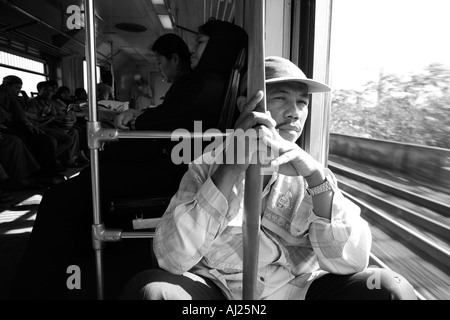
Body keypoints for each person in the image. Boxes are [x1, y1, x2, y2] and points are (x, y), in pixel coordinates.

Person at [120, 57, 418, 300]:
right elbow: (171, 259)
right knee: (152, 292)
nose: (294, 113)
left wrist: (315, 179)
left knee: (388, 287)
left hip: (295, 290)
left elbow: (349, 262)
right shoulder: (208, 165)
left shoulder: (312, 172)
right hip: (220, 292)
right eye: (280, 98)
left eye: (302, 103)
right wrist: (231, 169)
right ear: (245, 107)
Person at [10, 20, 248, 300]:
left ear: (218, 47)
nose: (193, 51)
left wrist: (136, 121)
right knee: (85, 184)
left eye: (201, 43)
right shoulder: (208, 83)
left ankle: (33, 288)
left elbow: (167, 119)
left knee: (58, 199)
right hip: (171, 162)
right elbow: (174, 115)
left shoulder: (207, 85)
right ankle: (68, 270)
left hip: (169, 171)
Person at [0, 75, 65, 184]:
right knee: (21, 140)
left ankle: (47, 173)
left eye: (20, 88)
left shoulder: (13, 98)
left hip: (16, 125)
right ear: (6, 85)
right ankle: (28, 177)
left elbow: (19, 113)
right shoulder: (4, 95)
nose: (18, 91)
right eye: (16, 88)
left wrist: (28, 124)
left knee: (44, 139)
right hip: (5, 127)